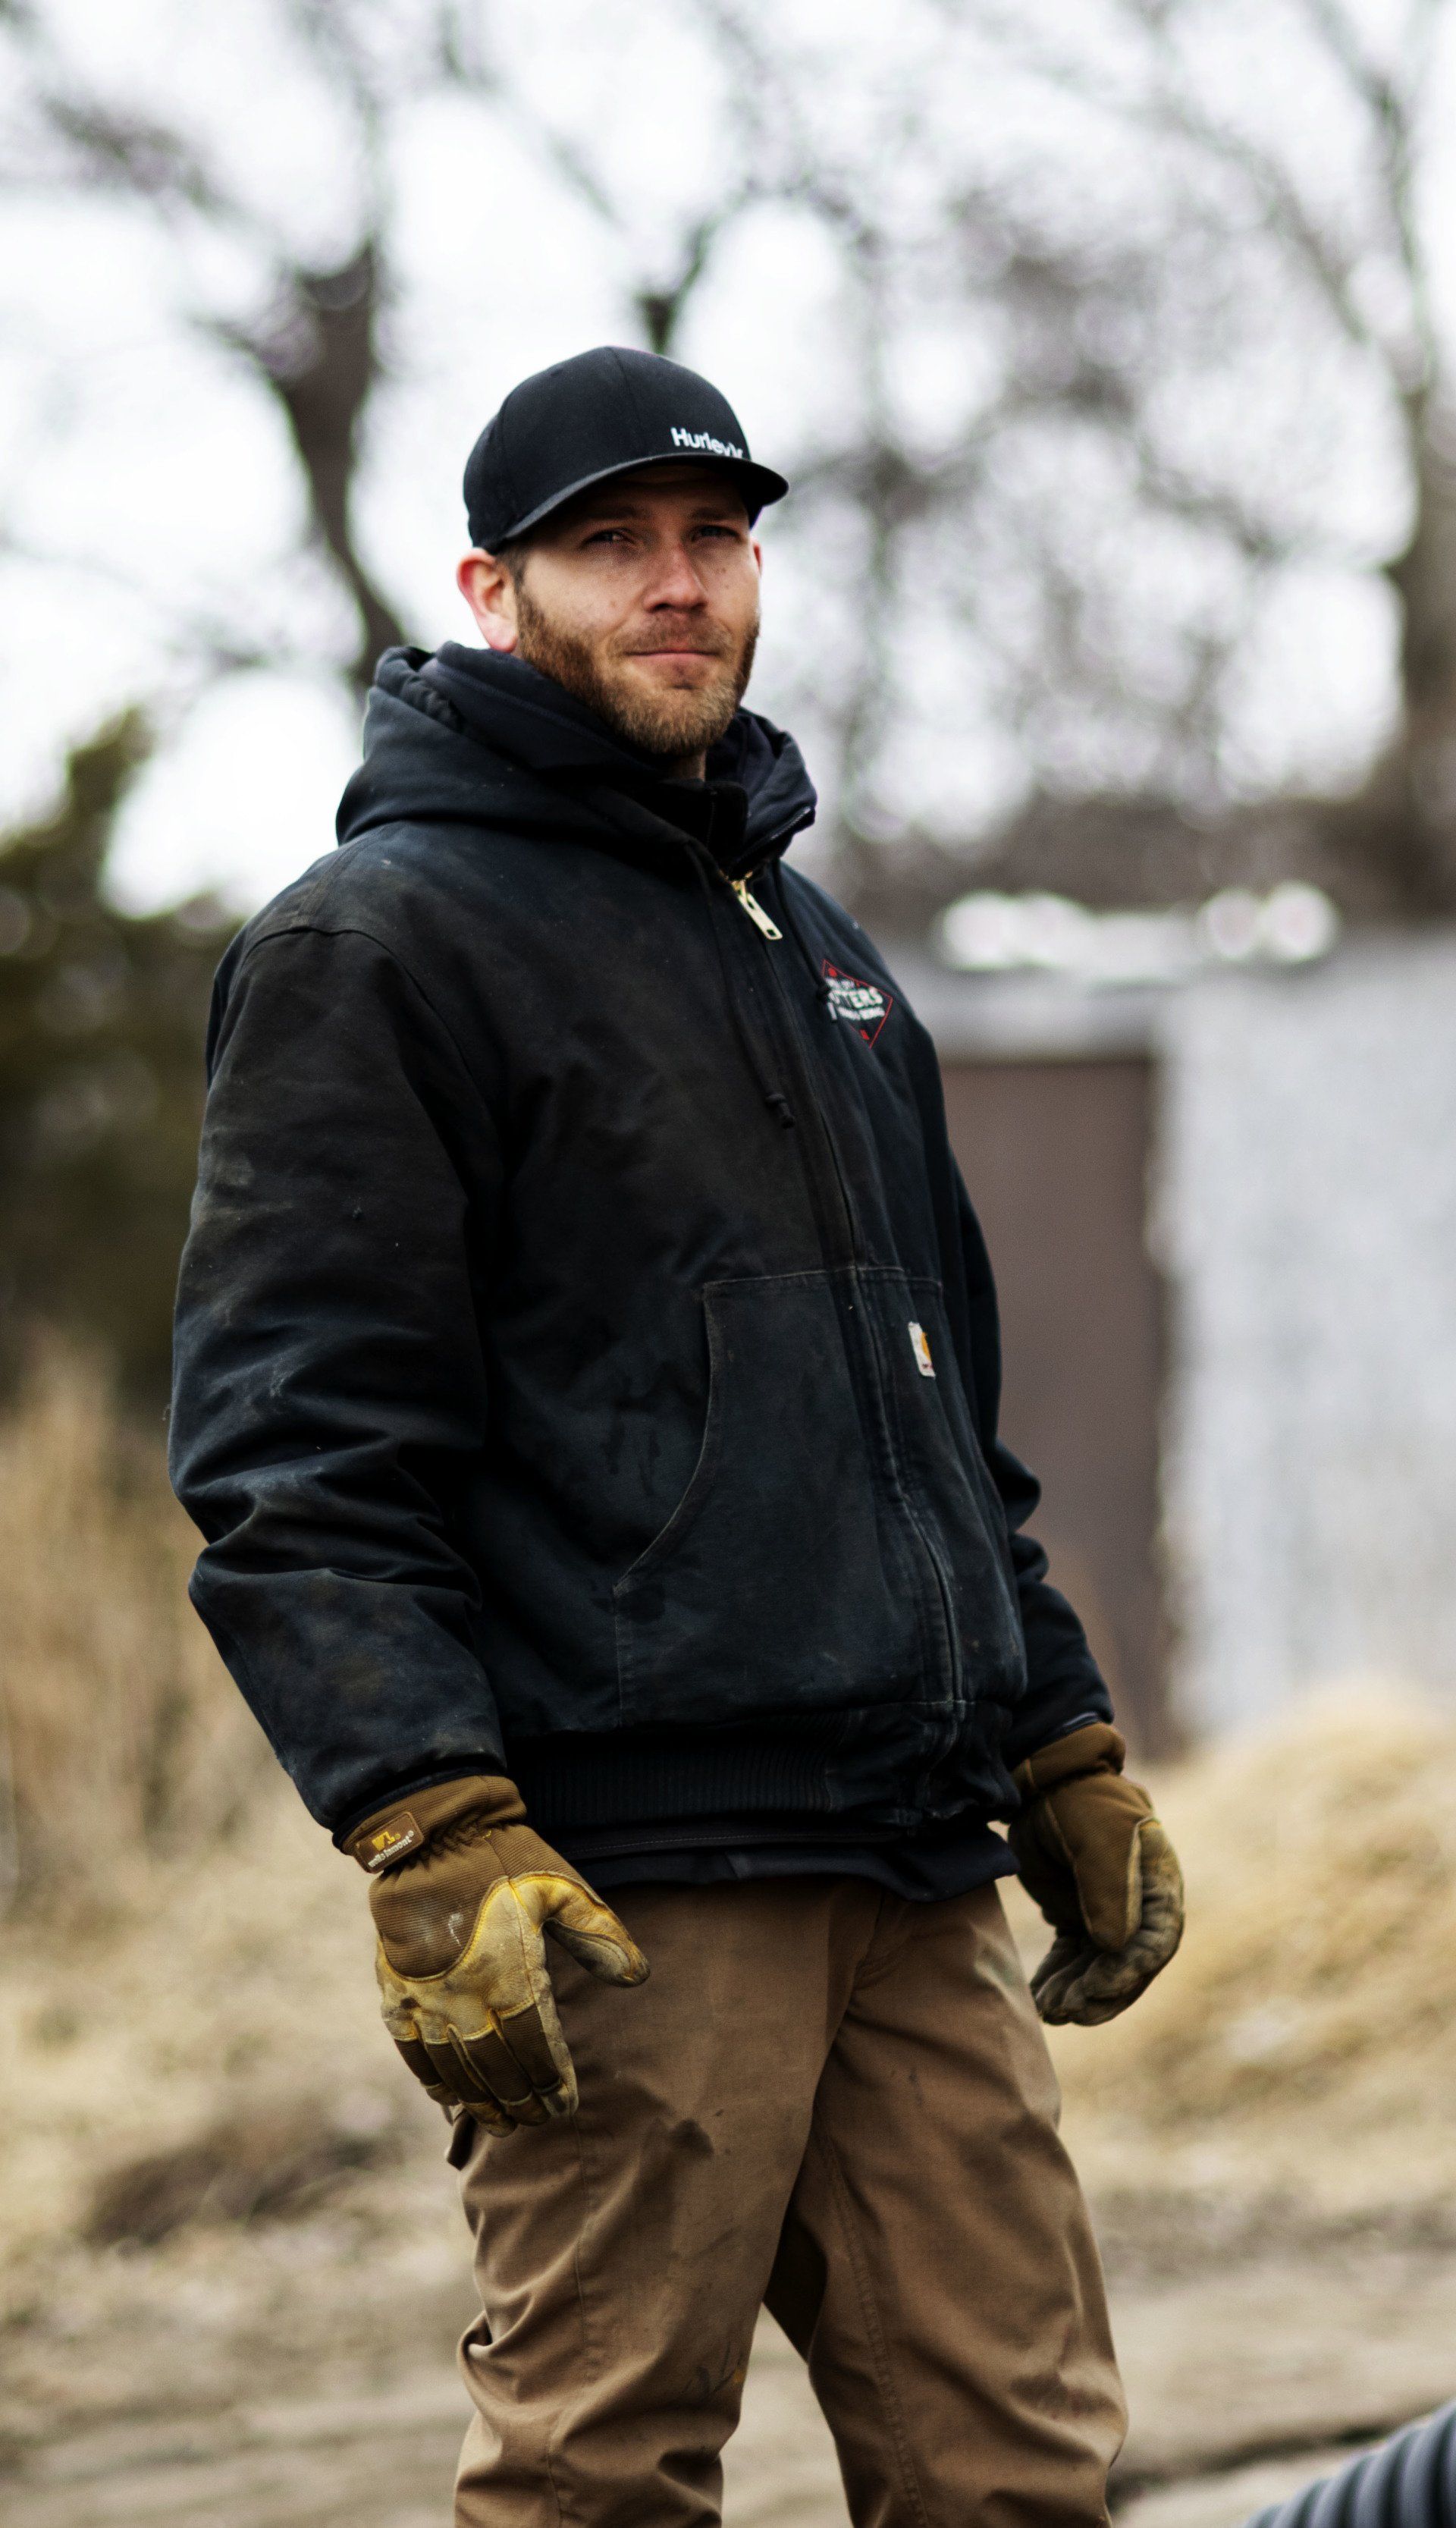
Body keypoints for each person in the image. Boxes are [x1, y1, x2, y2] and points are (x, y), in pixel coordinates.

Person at [171, 343, 1185, 2528]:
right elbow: (292, 1448)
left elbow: (930, 1425)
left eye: (714, 538)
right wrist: (429, 1821)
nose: (677, 585)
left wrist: (1063, 1740)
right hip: (632, 1878)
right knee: (605, 2484)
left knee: (1020, 2475)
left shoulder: (818, 959)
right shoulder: (382, 946)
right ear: (487, 584)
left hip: (914, 1852)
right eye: (609, 543)